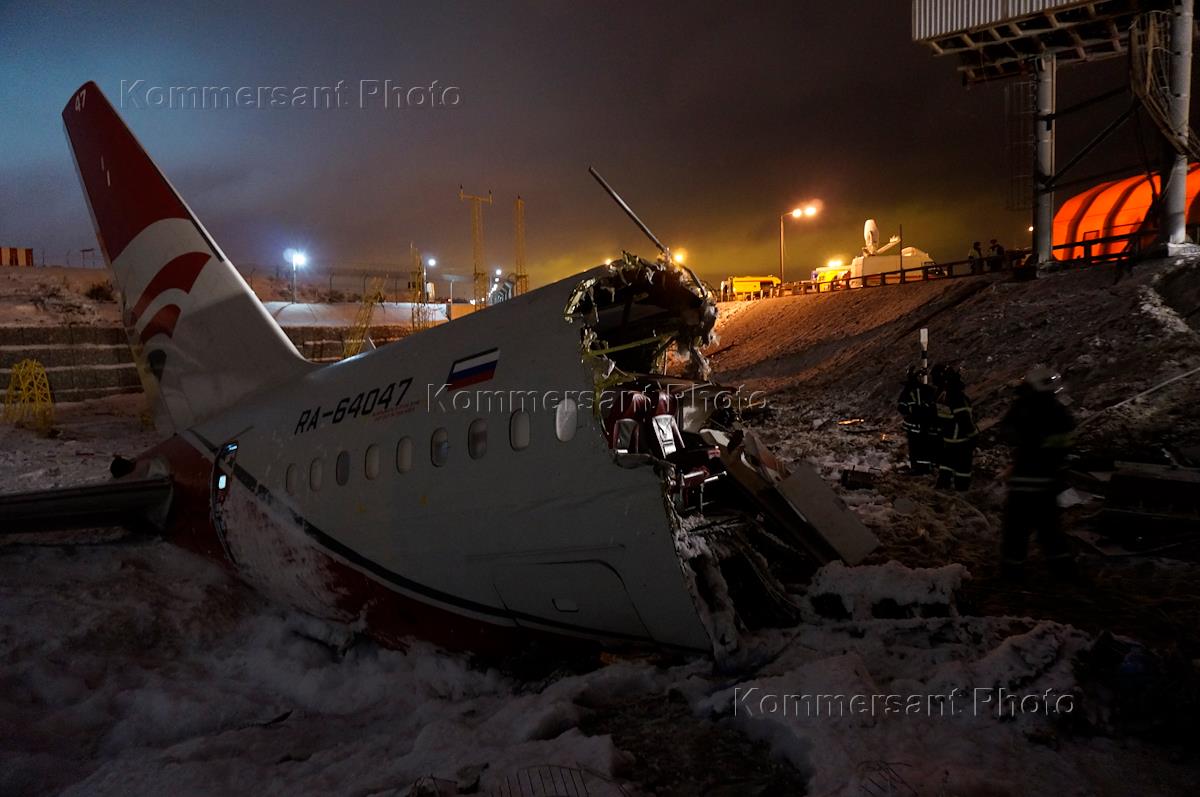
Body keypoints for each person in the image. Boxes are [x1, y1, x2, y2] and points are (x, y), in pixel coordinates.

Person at [1000, 367, 1077, 579]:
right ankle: (1063, 570)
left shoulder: (1023, 409)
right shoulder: (1059, 411)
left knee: (1016, 528)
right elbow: (1067, 442)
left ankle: (1012, 570)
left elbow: (1007, 432)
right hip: (1048, 481)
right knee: (1050, 528)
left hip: (1024, 479)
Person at [935, 366, 977, 490]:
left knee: (946, 465)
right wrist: (974, 436)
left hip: (947, 439)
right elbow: (964, 421)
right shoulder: (959, 398)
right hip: (960, 440)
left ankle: (942, 487)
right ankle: (961, 491)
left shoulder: (943, 396)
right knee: (963, 469)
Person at [897, 366, 937, 474]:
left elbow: (901, 407)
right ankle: (927, 468)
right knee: (926, 447)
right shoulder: (929, 390)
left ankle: (918, 468)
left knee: (916, 448)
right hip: (927, 425)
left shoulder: (908, 391)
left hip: (915, 426)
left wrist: (913, 411)